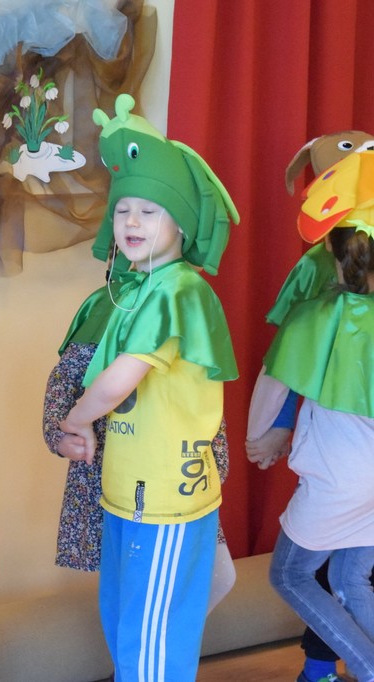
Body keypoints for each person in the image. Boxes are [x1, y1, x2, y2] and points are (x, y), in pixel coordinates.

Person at [58, 93, 239, 681]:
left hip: (162, 502)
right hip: (129, 496)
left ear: (181, 222)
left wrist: (77, 418)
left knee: (151, 645)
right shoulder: (140, 287)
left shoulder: (178, 289)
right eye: (123, 210)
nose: (131, 223)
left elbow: (117, 381)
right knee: (125, 627)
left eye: (149, 211)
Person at [247, 130, 374, 682]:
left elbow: (275, 379)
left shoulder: (317, 316)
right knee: (350, 580)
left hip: (339, 478)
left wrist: (258, 435)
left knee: (290, 575)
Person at [42, 278, 236, 614]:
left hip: (180, 472)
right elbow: (65, 382)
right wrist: (60, 435)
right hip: (121, 474)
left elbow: (199, 392)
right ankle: (144, 648)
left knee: (211, 577)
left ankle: (154, 645)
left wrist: (215, 457)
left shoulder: (184, 295)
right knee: (138, 589)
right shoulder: (107, 305)